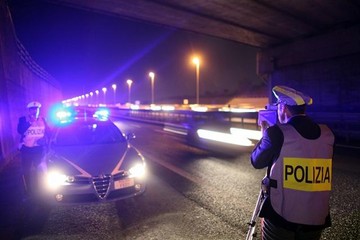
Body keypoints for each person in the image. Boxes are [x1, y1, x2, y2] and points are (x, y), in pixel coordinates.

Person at [251, 86, 335, 240]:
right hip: (316, 217)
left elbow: (256, 161)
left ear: (282, 107)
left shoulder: (276, 133)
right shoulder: (327, 134)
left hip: (281, 218)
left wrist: (265, 135)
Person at [17, 101, 50, 197]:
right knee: (25, 171)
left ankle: (42, 190)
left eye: (36, 109)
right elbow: (20, 131)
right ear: (28, 111)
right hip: (26, 149)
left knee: (41, 170)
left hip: (39, 149)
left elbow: (48, 132)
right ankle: (28, 191)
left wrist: (45, 142)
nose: (34, 111)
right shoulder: (23, 120)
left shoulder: (43, 120)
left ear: (39, 110)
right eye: (32, 109)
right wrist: (29, 122)